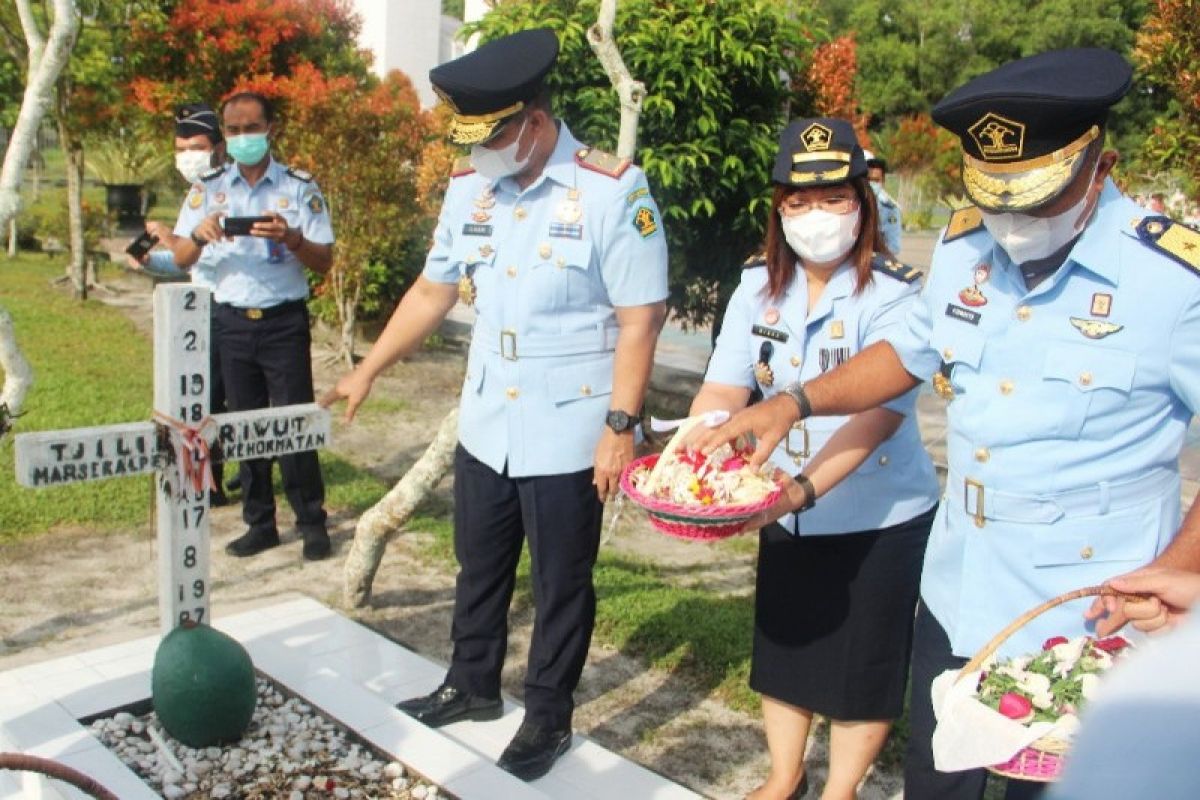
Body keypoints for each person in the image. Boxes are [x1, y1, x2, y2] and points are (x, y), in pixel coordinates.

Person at [692, 48, 1200, 800]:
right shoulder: (968, 250)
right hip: (961, 589)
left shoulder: (1169, 281)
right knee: (938, 785)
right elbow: (906, 353)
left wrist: (1185, 567)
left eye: (1034, 197)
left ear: (1100, 165)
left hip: (1093, 607)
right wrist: (790, 402)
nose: (1012, 221)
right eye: (996, 197)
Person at [321, 28, 668, 782]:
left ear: (535, 122)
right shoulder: (469, 187)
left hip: (571, 426)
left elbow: (642, 316)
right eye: (471, 138)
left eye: (494, 135)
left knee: (559, 581)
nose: (481, 151)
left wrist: (620, 426)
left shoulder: (610, 189)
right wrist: (369, 367)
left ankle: (547, 714)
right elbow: (433, 288)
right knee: (477, 562)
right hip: (488, 418)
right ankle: (471, 683)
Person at [691, 117, 938, 800]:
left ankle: (841, 789)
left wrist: (800, 490)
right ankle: (785, 775)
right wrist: (692, 454)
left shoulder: (897, 292)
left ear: (863, 202)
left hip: (876, 508)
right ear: (779, 211)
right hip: (778, 498)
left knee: (863, 665)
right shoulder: (759, 284)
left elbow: (879, 414)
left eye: (833, 199)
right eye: (797, 203)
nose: (815, 217)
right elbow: (724, 385)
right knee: (787, 647)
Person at [171, 91, 334, 561]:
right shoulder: (208, 189)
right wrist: (199, 235)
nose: (243, 137)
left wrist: (293, 237)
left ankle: (311, 522)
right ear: (224, 134)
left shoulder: (300, 187)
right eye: (234, 130)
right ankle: (260, 522)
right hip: (232, 323)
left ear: (271, 130)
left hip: (283, 321)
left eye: (251, 128)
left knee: (293, 424)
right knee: (243, 426)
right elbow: (181, 254)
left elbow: (325, 261)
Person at [127, 103, 233, 506]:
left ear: (218, 147)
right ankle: (213, 482)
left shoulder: (231, 188)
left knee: (230, 400)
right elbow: (187, 260)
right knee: (204, 398)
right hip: (198, 307)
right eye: (181, 148)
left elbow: (212, 250)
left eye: (197, 146)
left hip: (231, 308)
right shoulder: (195, 193)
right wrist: (151, 259)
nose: (188, 155)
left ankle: (234, 481)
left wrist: (172, 240)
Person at [863, 150, 902, 256]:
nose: (872, 184)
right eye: (868, 180)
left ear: (883, 182)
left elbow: (893, 247)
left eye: (876, 180)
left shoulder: (890, 209)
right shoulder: (850, 204)